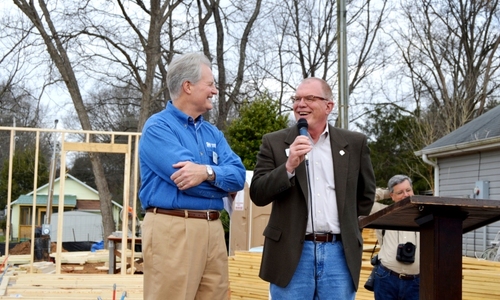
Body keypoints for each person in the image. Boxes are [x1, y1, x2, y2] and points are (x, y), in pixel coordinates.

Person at [250, 77, 376, 299]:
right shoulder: (275, 142)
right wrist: (288, 167)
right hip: (291, 254)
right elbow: (258, 193)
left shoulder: (354, 143)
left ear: (329, 106)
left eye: (309, 98)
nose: (300, 104)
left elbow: (365, 196)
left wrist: (348, 229)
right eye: (296, 99)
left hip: (339, 253)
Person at [138, 52, 246, 300]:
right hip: (174, 228)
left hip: (213, 228)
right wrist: (221, 183)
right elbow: (187, 183)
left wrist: (206, 172)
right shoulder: (158, 127)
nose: (215, 91)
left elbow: (239, 177)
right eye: (210, 84)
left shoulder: (213, 133)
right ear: (188, 86)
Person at [371, 175, 420, 300]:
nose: (406, 195)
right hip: (386, 279)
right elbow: (361, 200)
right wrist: (386, 192)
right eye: (400, 192)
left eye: (408, 190)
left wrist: (398, 190)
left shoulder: (425, 215)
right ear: (392, 196)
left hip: (417, 282)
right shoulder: (382, 213)